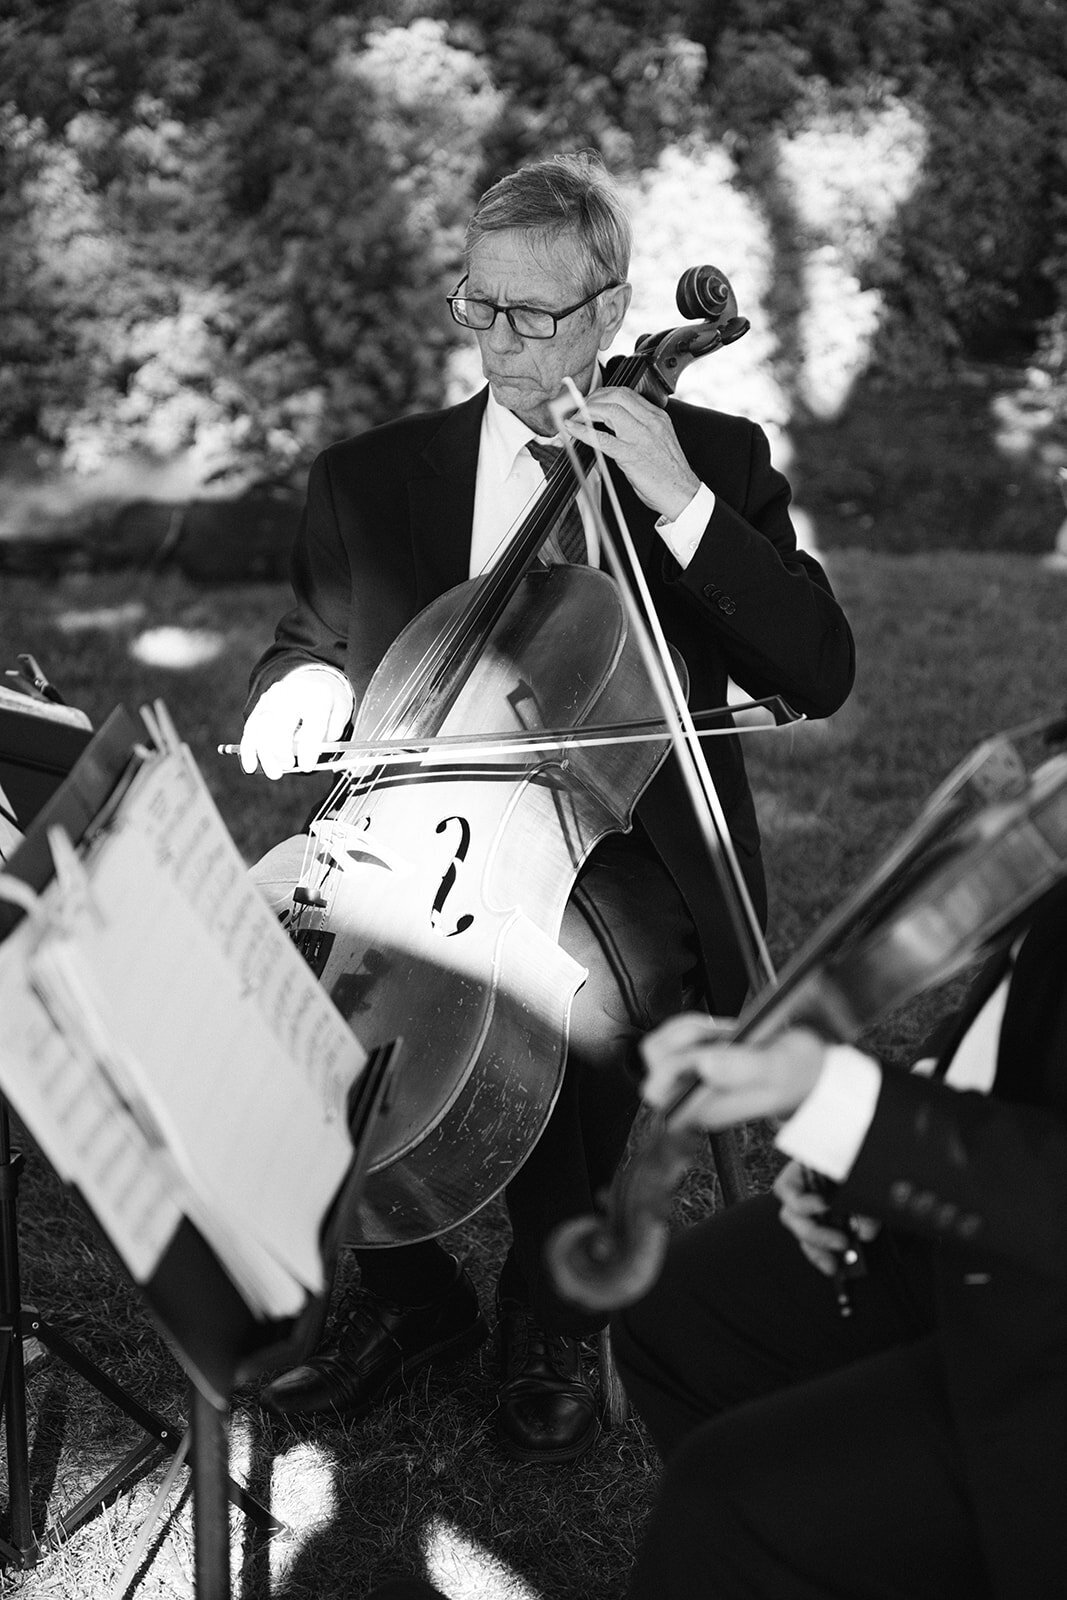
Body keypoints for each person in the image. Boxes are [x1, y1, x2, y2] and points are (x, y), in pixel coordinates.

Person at [238, 151, 855, 1463]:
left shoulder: (705, 458)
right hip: (410, 823)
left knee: (577, 980)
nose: (505, 343)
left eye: (540, 315)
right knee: (259, 961)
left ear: (613, 309)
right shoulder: (371, 477)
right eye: (479, 306)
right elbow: (308, 635)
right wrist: (294, 686)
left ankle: (548, 1304)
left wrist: (677, 503)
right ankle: (408, 1302)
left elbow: (812, 668)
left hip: (621, 836)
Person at [606, 865, 1067, 1598]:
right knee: (673, 1314)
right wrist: (871, 1147)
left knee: (725, 1509)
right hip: (995, 1222)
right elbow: (1029, 1007)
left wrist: (850, 1110)